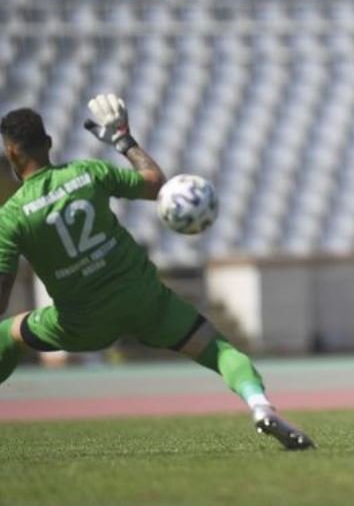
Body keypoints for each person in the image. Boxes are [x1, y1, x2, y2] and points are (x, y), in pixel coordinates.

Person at [0, 94, 314, 450]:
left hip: (82, 321)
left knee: (8, 333)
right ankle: (260, 405)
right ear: (49, 143)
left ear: (11, 152)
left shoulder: (10, 217)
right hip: (144, 299)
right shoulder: (87, 173)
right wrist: (123, 139)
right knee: (219, 349)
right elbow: (154, 183)